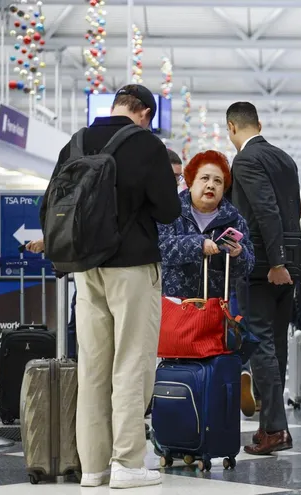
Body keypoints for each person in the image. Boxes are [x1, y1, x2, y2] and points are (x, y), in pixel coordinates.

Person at [40, 84, 181, 488]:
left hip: (86, 268)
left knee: (93, 366)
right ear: (146, 113)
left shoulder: (76, 142)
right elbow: (169, 211)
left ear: (116, 105)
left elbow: (48, 203)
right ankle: (127, 463)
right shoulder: (148, 145)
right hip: (133, 267)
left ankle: (93, 467)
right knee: (132, 362)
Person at [156, 150, 256, 413]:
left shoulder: (235, 220)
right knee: (177, 367)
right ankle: (178, 421)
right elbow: (160, 248)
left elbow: (248, 265)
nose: (211, 185)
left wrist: (238, 254)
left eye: (218, 181)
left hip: (214, 310)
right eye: (205, 179)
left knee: (213, 370)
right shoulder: (170, 212)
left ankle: (218, 410)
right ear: (190, 182)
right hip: (176, 307)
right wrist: (198, 244)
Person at [226, 101, 301, 455]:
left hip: (263, 266)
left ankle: (274, 429)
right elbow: (289, 212)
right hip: (289, 265)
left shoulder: (245, 160)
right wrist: (286, 261)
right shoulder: (285, 159)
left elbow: (266, 210)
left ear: (232, 127)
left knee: (261, 344)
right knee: (277, 346)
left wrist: (275, 261)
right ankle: (272, 423)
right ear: (259, 124)